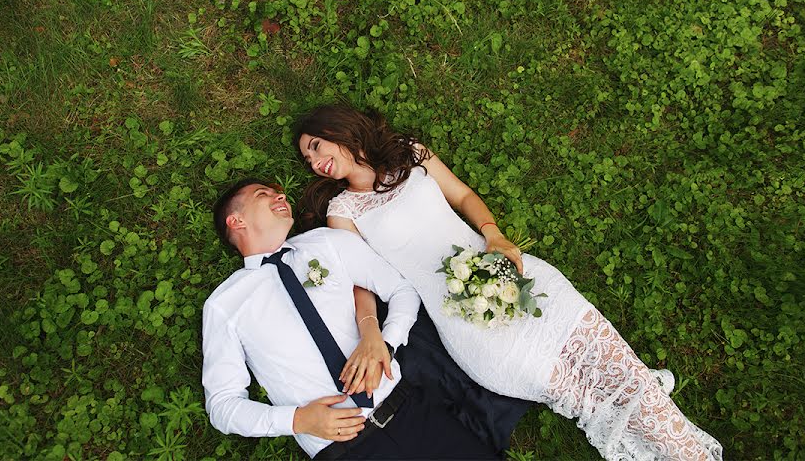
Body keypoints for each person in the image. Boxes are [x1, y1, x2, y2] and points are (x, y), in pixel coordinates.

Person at [296, 105, 724, 461]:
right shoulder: (343, 209)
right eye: (308, 161)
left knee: (625, 373)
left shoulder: (410, 152)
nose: (315, 163)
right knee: (587, 401)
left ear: (337, 129)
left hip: (515, 275)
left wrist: (493, 234)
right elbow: (362, 282)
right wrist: (370, 331)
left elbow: (462, 196)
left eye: (315, 147)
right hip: (470, 325)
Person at [202, 177, 500, 460]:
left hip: (413, 413)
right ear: (236, 221)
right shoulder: (225, 304)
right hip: (346, 451)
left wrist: (386, 342)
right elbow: (223, 406)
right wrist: (296, 420)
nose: (280, 196)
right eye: (262, 195)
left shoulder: (326, 242)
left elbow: (401, 289)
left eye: (278, 192)